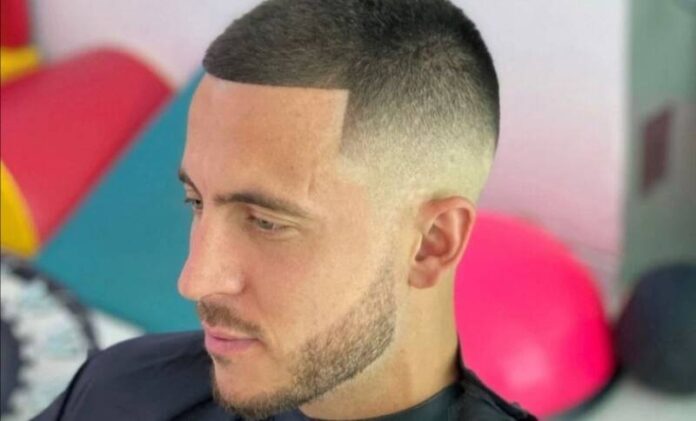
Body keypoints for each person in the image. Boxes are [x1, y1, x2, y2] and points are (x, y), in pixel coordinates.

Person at [34, 0, 536, 419]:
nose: (195, 280)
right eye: (196, 201)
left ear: (431, 244)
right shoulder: (120, 392)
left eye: (267, 222)